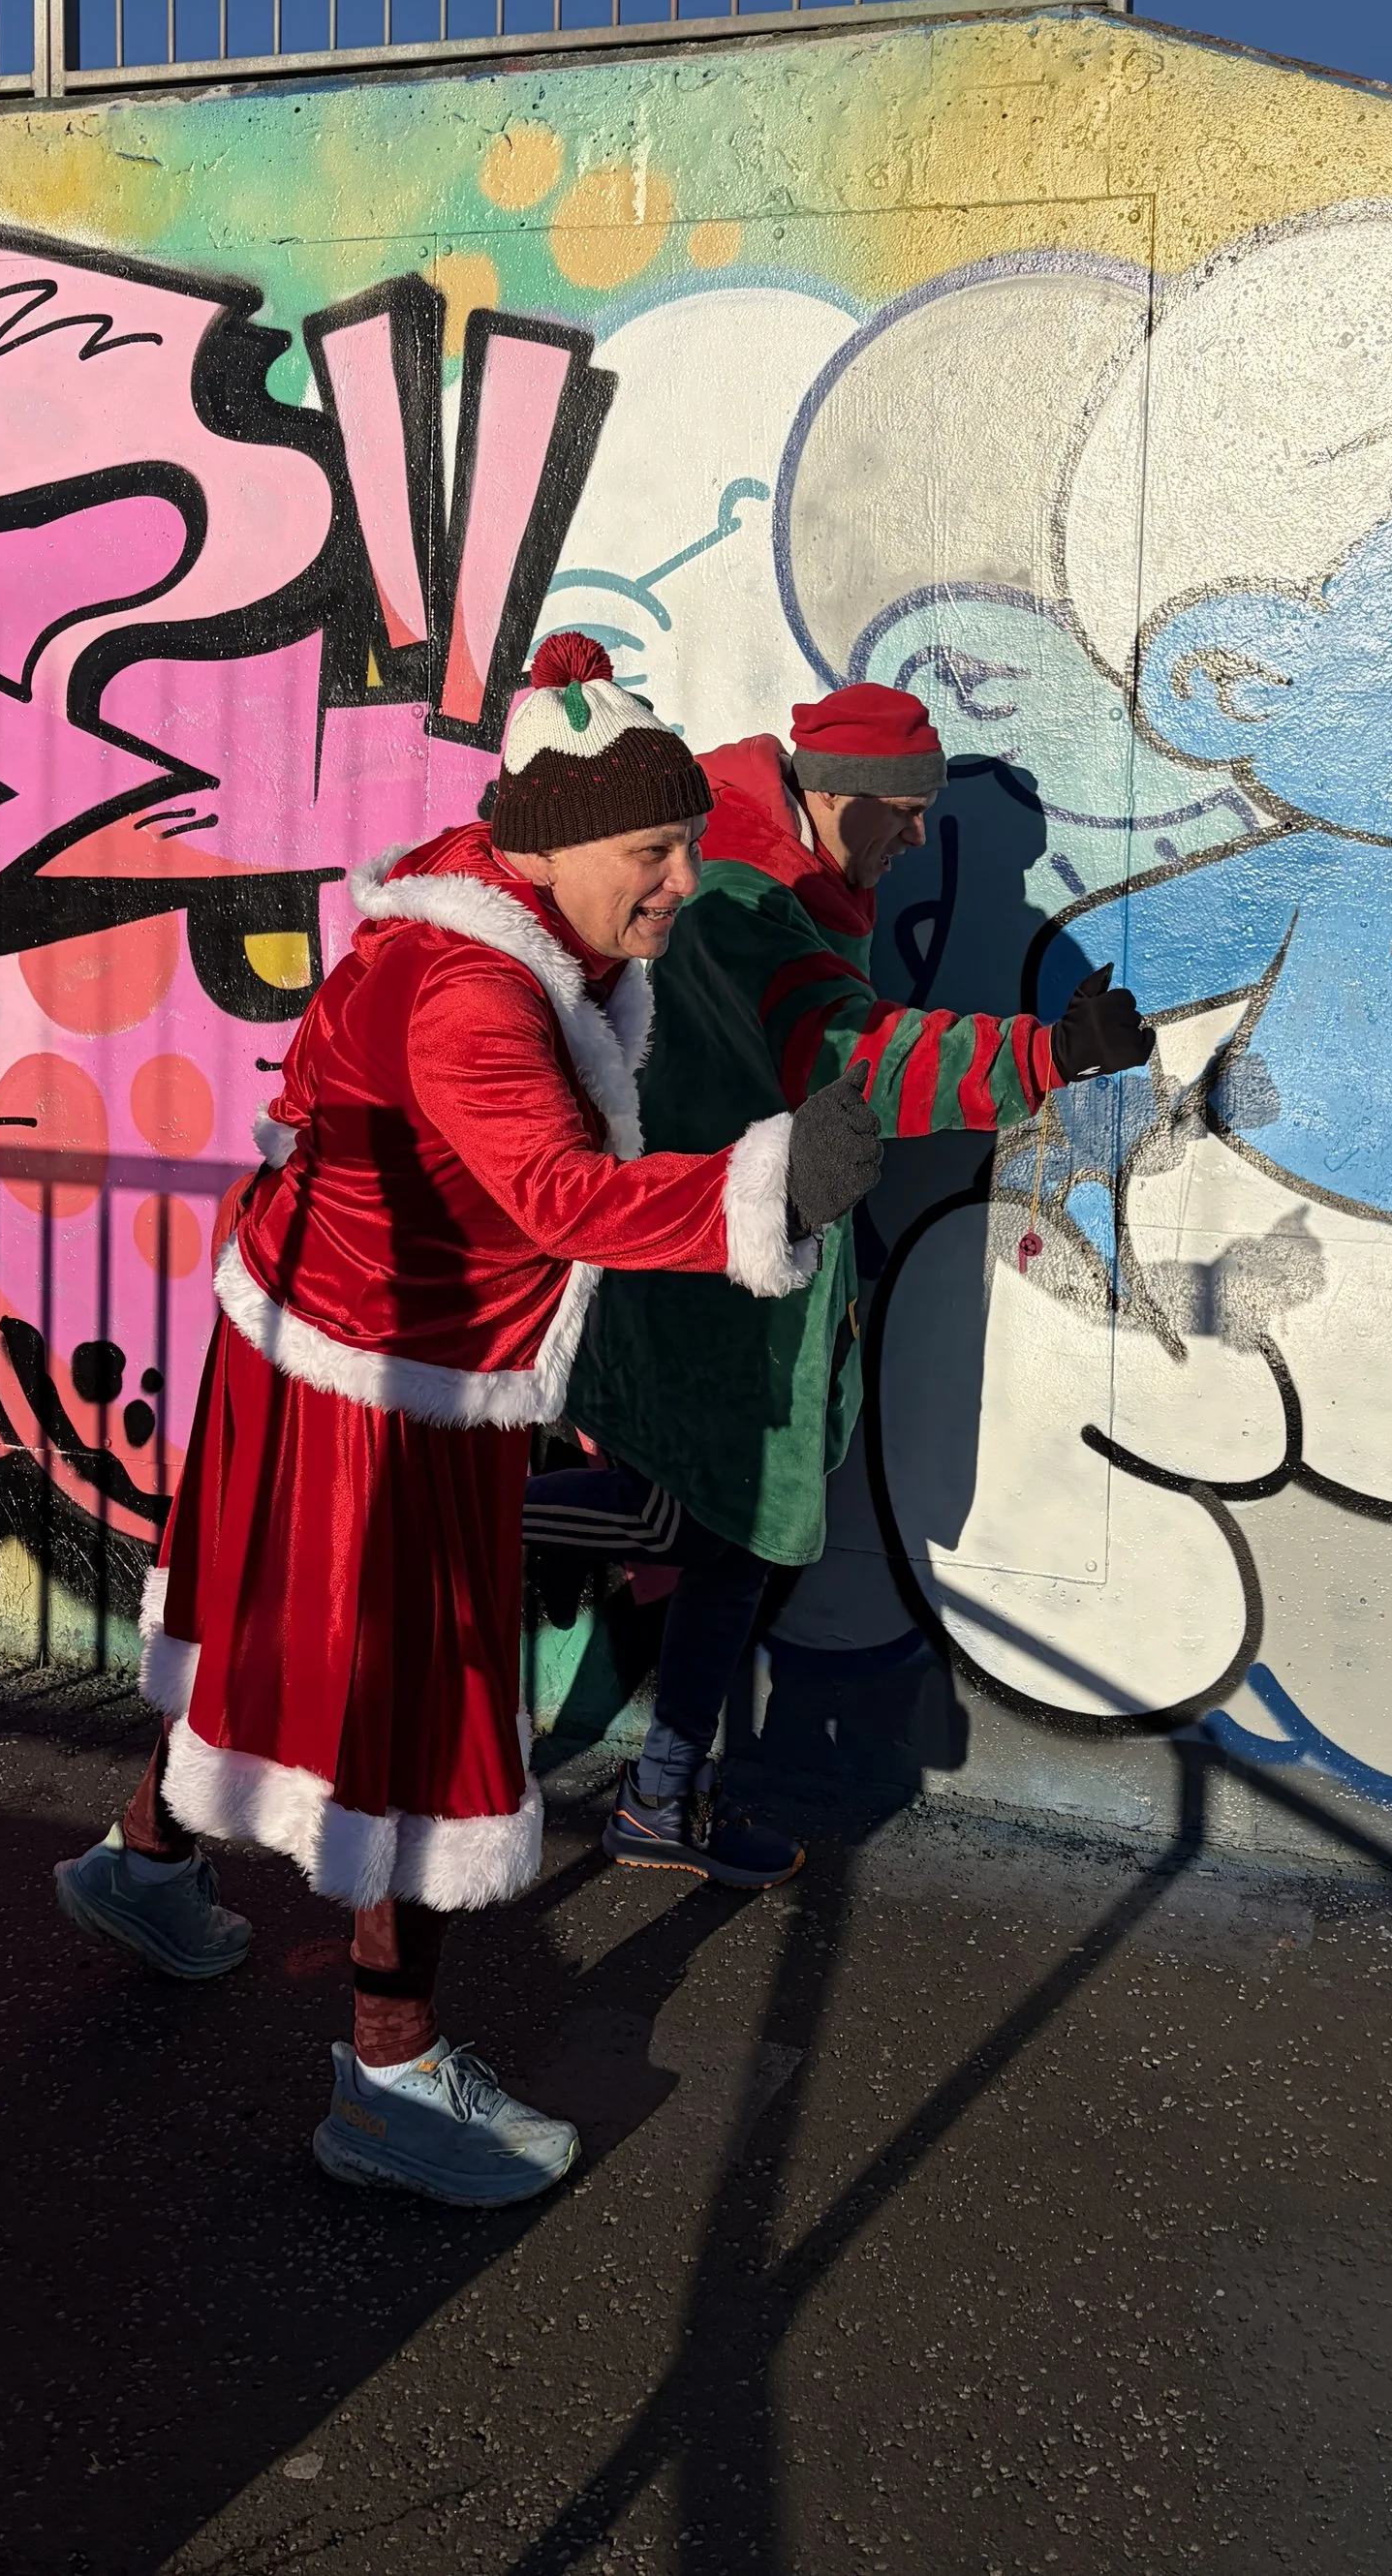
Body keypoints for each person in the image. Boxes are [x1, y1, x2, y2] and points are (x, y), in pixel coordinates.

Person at [52, 634, 882, 2207]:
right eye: (655, 850)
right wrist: (773, 1187)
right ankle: (389, 2078)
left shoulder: (487, 878)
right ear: (562, 843)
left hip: (327, 1345)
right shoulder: (470, 990)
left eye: (686, 842)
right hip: (385, 1388)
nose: (684, 882)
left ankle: (145, 1864)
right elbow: (559, 1194)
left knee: (270, 1640)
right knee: (417, 1737)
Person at [547, 679, 1154, 1888]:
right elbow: (852, 1062)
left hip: (738, 1256)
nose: (920, 838)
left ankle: (661, 1793)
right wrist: (1046, 1052)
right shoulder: (737, 898)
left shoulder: (784, 874)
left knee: (731, 1537)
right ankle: (436, 1530)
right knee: (711, 1523)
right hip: (698, 1267)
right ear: (836, 797)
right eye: (906, 813)